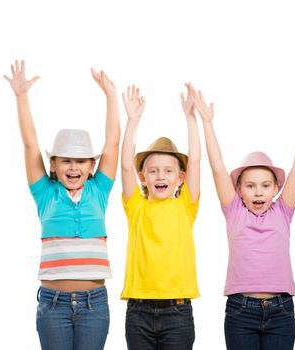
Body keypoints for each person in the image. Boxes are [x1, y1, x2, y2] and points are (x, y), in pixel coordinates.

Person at [192, 88, 295, 350]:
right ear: (239, 190)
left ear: (275, 189)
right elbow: (218, 168)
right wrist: (207, 123)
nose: (258, 191)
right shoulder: (234, 211)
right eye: (251, 186)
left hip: (281, 311)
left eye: (266, 185)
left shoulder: (282, 211)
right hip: (240, 311)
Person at [5, 60, 120, 350]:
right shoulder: (45, 193)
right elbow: (30, 145)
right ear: (53, 165)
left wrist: (110, 95)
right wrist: (21, 97)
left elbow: (113, 143)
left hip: (94, 304)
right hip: (52, 305)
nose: (73, 167)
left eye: (80, 161)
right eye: (66, 160)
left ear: (91, 165)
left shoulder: (99, 190)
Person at [120, 84, 201, 349]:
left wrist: (191, 118)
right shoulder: (136, 207)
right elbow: (124, 166)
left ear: (181, 178)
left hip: (177, 312)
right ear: (143, 177)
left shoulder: (185, 206)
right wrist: (133, 121)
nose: (161, 176)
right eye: (153, 171)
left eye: (168, 170)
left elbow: (197, 162)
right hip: (138, 311)